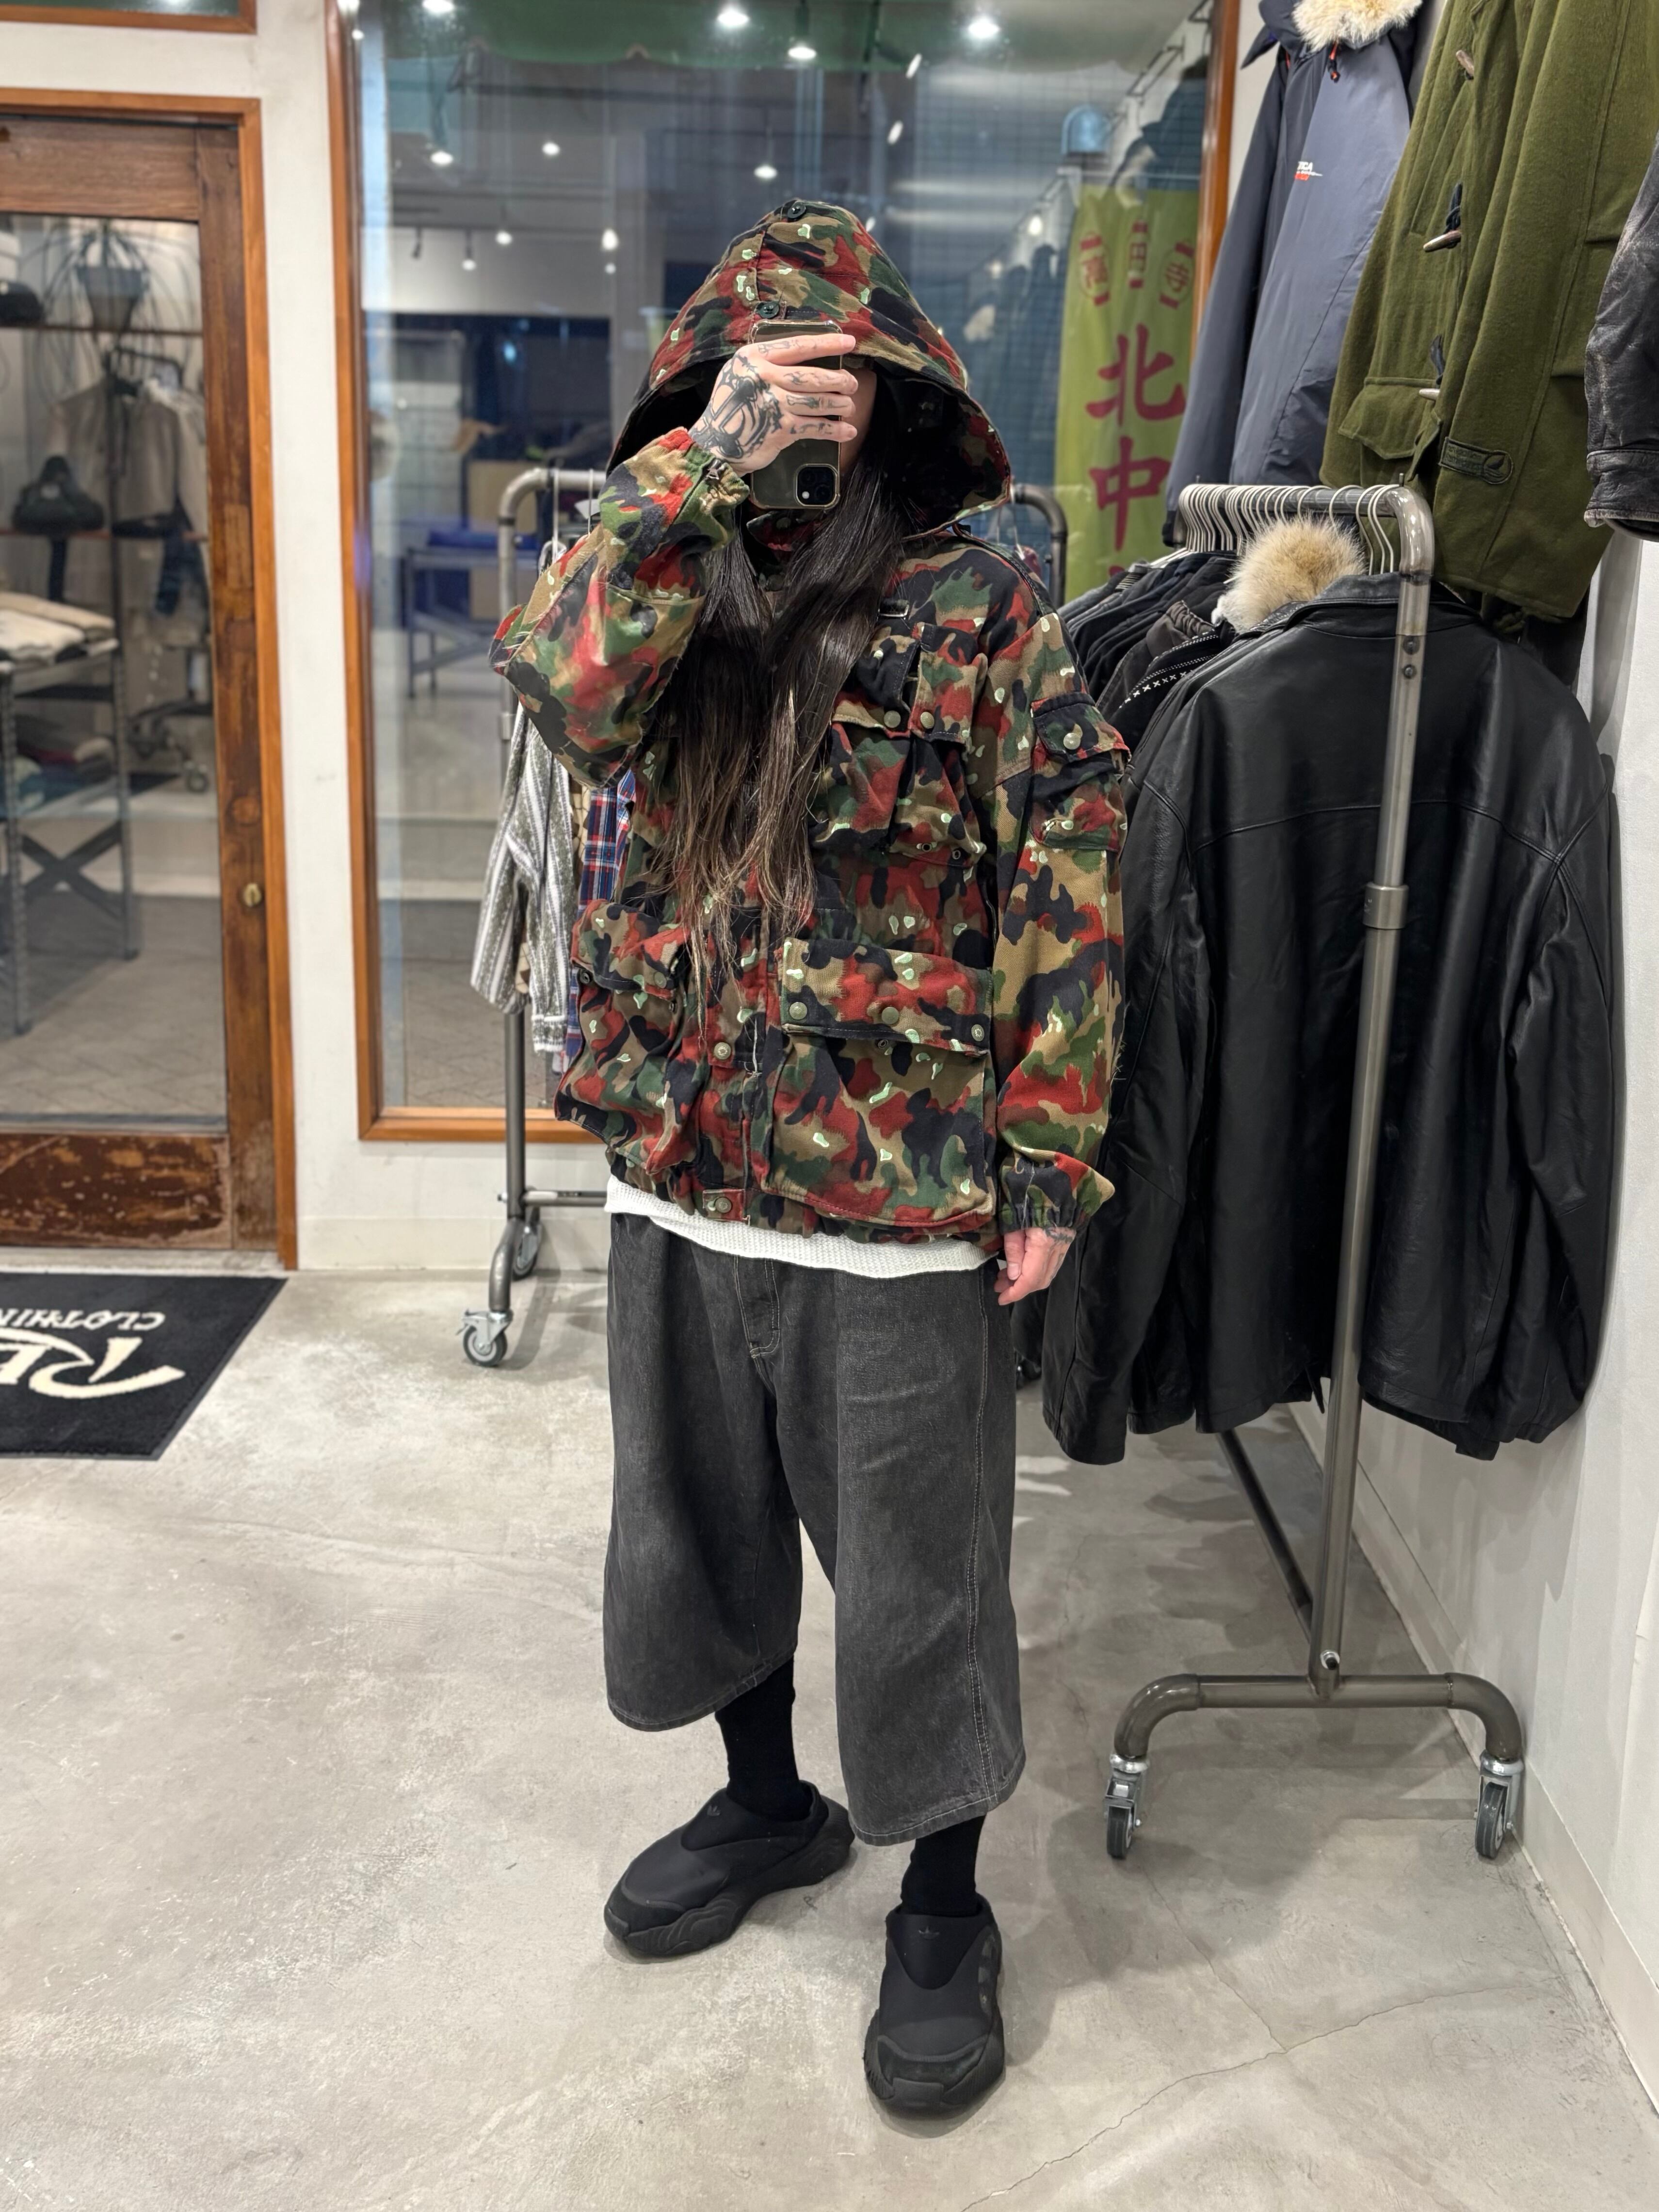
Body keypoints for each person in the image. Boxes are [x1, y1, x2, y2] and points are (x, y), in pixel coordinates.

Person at [489, 201, 1126, 2113]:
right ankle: (769, 1802)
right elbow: (556, 692)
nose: (805, 415)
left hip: (899, 1193)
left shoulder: (984, 604)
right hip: (680, 1164)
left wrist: (1048, 1166)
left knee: (922, 1577)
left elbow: (1068, 880)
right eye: (763, 379)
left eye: (837, 384)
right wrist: (695, 472)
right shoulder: (668, 574)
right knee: (695, 1527)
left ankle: (941, 1897)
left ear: (901, 394)